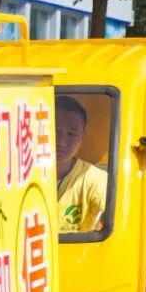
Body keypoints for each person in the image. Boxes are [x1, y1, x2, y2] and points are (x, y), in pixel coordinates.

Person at [56, 95, 108, 233]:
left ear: (82, 138)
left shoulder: (95, 179)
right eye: (55, 131)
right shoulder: (20, 177)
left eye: (71, 134)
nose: (60, 141)